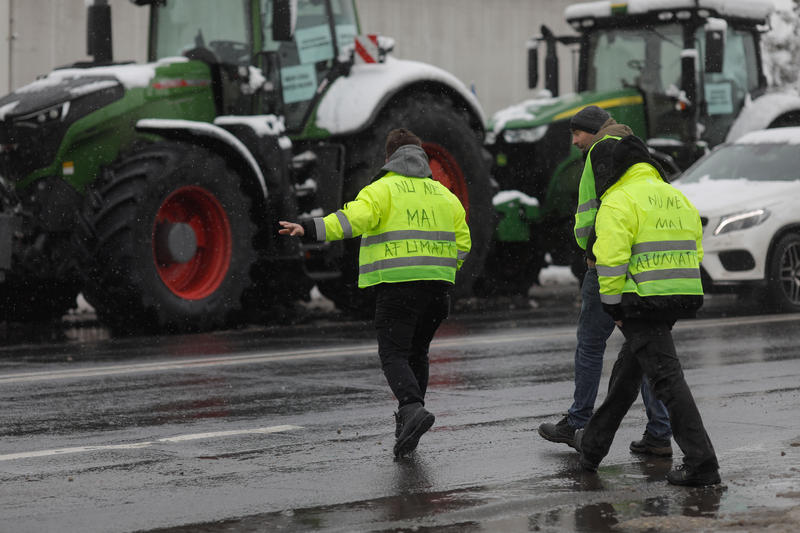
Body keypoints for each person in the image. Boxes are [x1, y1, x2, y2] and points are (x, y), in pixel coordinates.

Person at [279, 128, 471, 458]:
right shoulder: (445, 196)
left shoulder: (382, 189)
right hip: (439, 291)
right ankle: (408, 423)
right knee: (417, 353)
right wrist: (439, 269)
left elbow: (351, 220)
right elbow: (463, 242)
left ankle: (411, 408)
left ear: (389, 158)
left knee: (393, 353)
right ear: (422, 156)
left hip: (398, 288)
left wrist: (309, 228)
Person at [574, 134, 719, 486]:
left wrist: (613, 306)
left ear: (619, 167)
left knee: (667, 380)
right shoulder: (676, 196)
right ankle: (592, 448)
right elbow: (696, 248)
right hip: (678, 295)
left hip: (639, 300)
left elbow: (610, 261)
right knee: (628, 373)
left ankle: (702, 464)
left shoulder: (618, 200)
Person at [538, 105, 673, 457]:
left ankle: (578, 421)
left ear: (594, 130)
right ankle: (659, 432)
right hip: (640, 263)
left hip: (607, 262)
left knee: (590, 345)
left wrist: (590, 249)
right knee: (641, 349)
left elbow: (596, 208)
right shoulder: (637, 149)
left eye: (577, 132)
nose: (575, 140)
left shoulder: (599, 150)